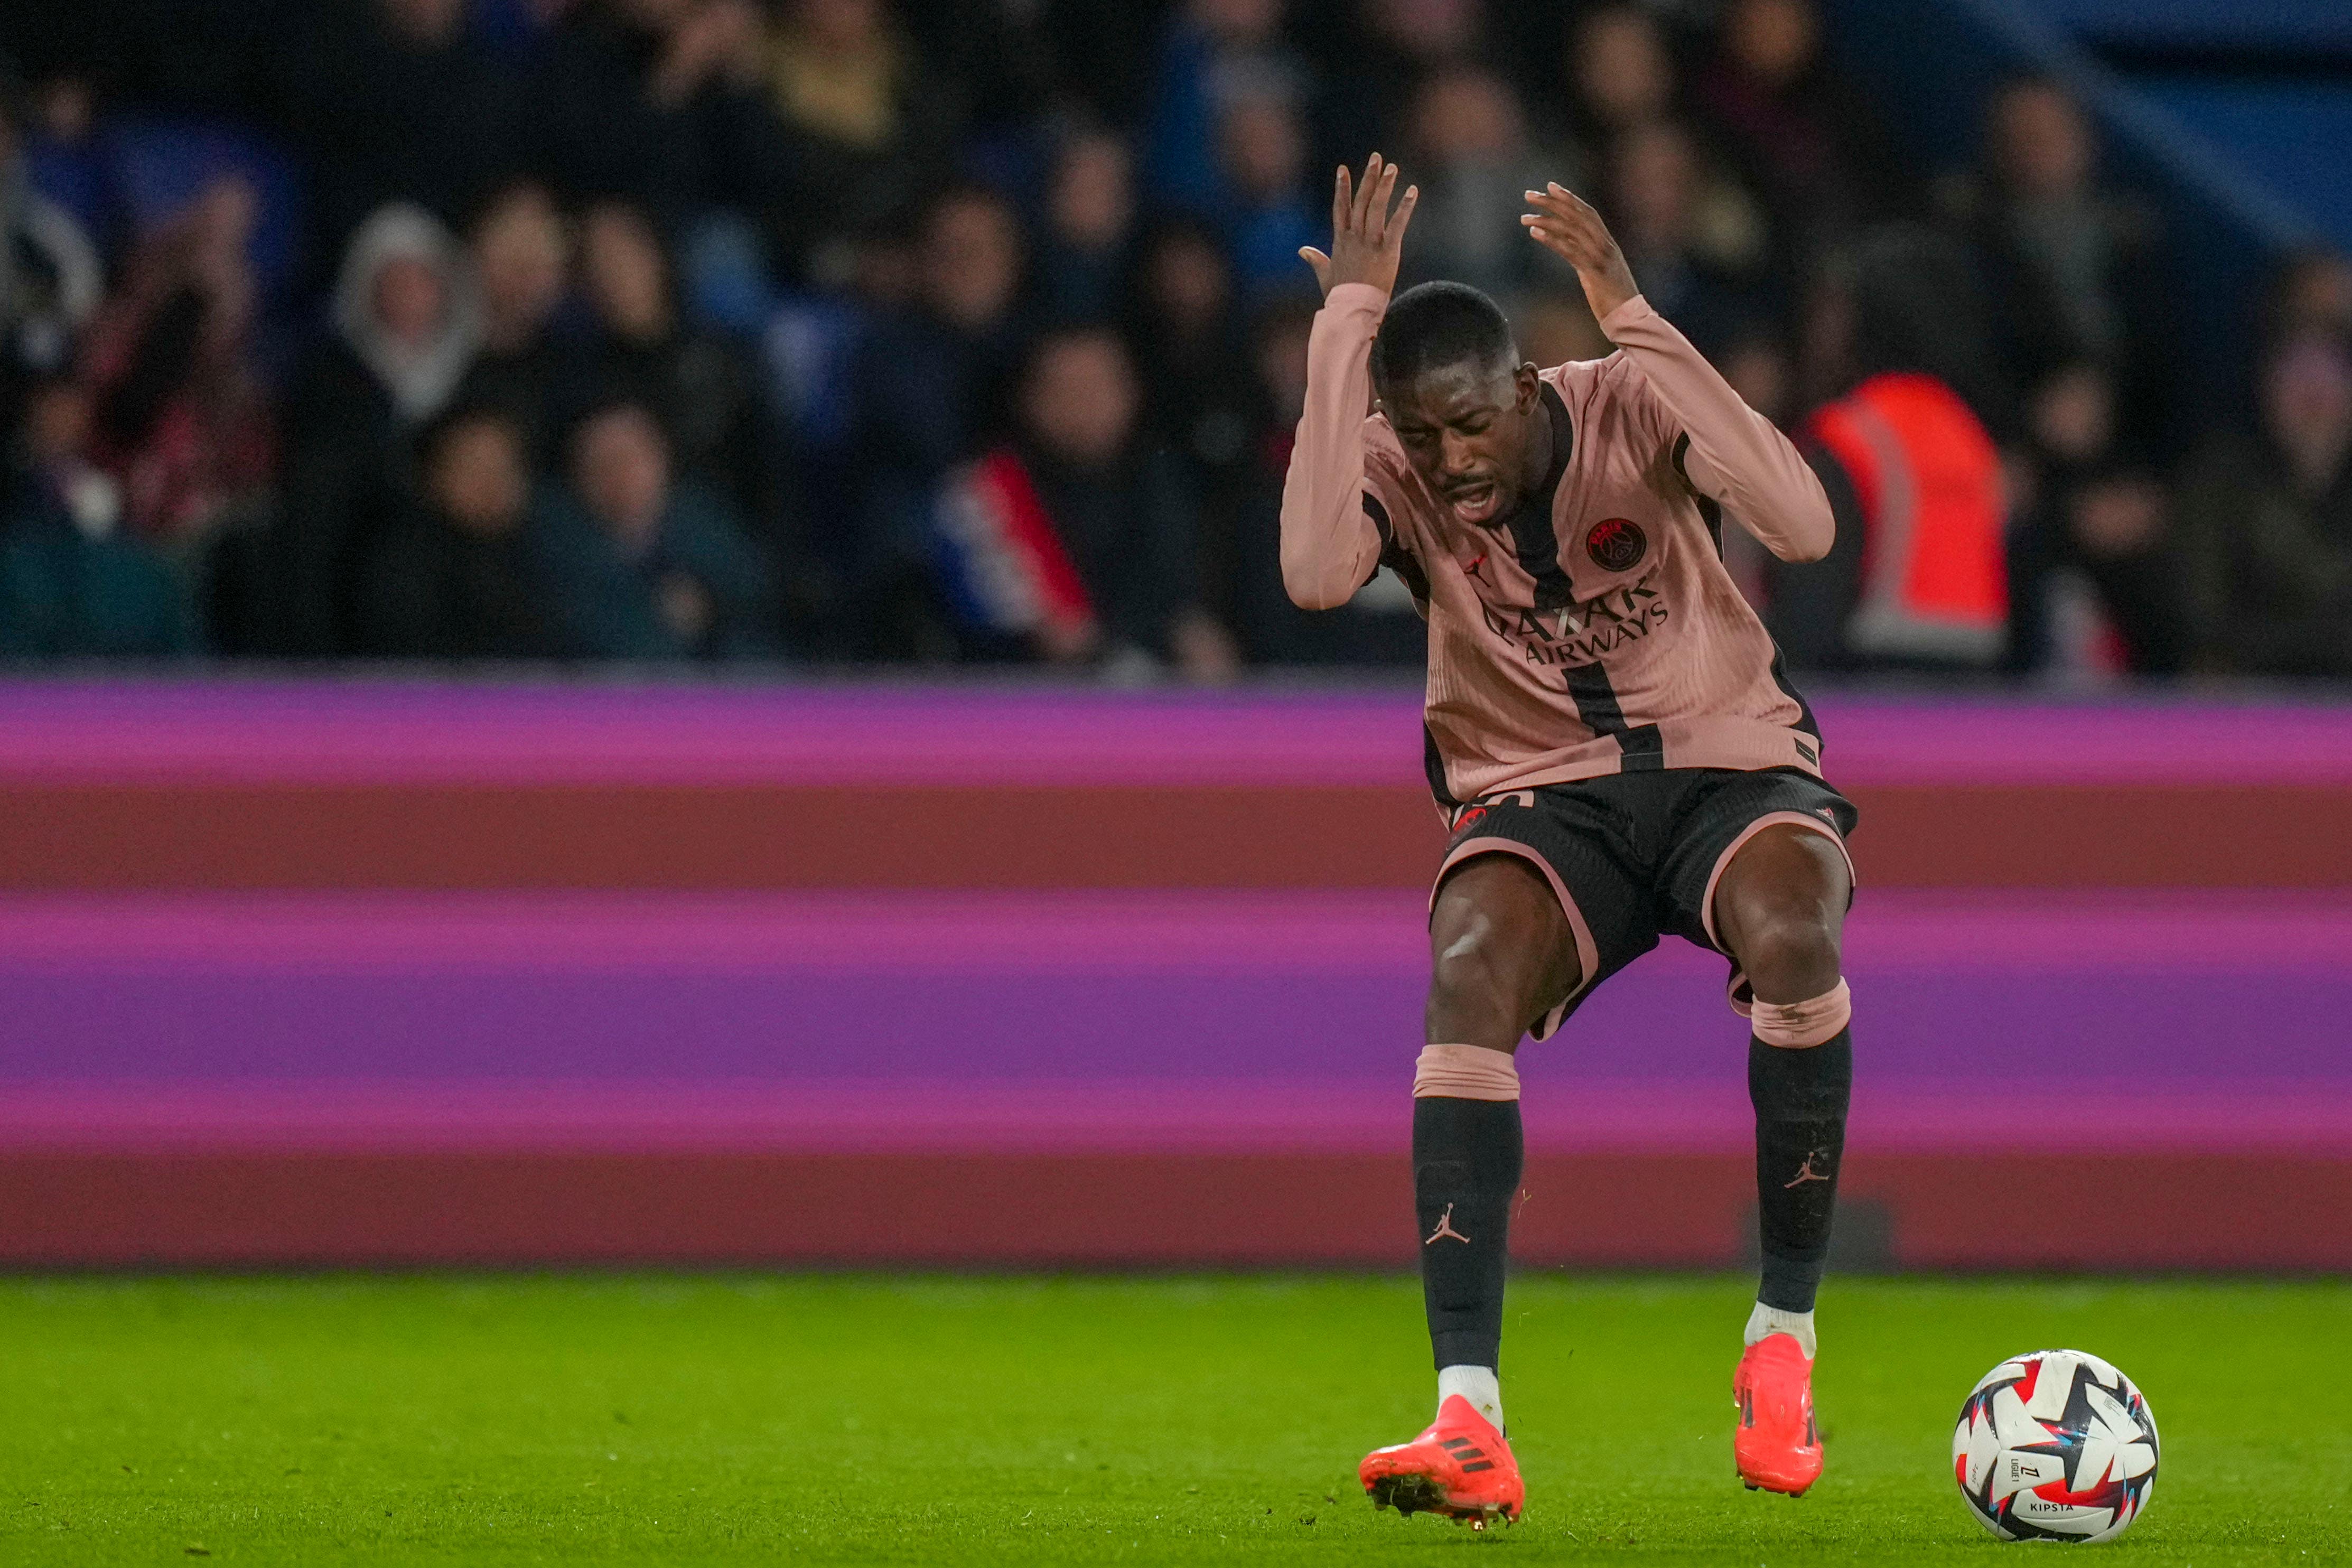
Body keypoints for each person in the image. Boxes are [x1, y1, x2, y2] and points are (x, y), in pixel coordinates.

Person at [1282, 155, 1853, 1524]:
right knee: (1464, 967)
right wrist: (1341, 330)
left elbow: (1805, 523)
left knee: (1792, 928)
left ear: (1525, 389)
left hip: (1729, 762)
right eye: (1419, 440)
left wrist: (1638, 320)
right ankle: (1465, 1417)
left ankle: (1781, 1340)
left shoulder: (1624, 398)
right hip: (1542, 792)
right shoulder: (1397, 466)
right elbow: (1311, 575)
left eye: (1469, 426)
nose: (1450, 464)